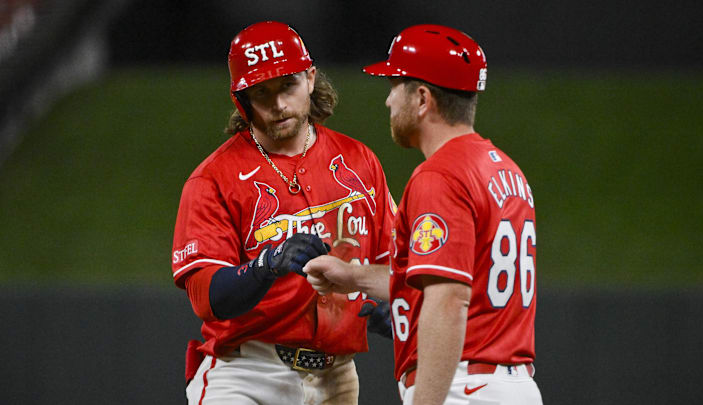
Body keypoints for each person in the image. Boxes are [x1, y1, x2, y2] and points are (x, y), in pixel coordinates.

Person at [304, 24, 543, 405]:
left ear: (421, 98)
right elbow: (445, 279)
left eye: (394, 86)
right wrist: (352, 276)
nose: (388, 101)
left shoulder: (440, 175)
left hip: (464, 387)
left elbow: (449, 298)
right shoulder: (504, 169)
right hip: (511, 386)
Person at [170, 21, 395, 405]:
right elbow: (205, 296)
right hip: (248, 373)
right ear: (242, 99)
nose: (278, 104)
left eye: (287, 85)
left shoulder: (360, 161)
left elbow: (396, 264)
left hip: (337, 375)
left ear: (309, 79)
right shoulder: (214, 178)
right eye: (262, 92)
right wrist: (265, 266)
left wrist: (391, 309)